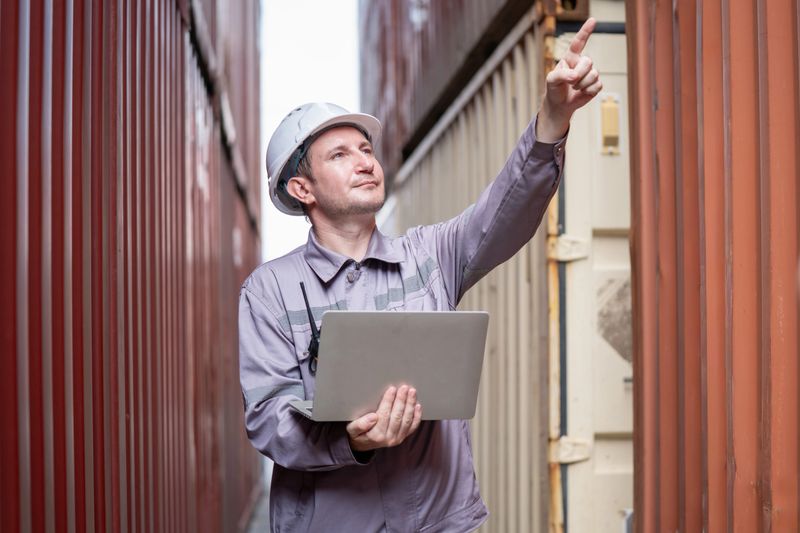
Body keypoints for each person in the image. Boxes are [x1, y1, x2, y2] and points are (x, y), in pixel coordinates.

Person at [239, 18, 602, 533]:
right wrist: (351, 439)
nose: (366, 162)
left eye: (366, 149)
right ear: (303, 189)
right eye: (340, 155)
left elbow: (507, 210)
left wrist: (553, 117)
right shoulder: (268, 292)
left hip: (439, 523)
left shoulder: (431, 254)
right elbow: (267, 417)